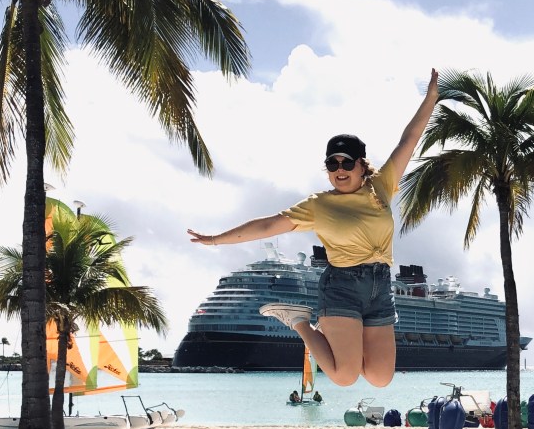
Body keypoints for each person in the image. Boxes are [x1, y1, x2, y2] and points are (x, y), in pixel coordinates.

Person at [188, 69, 439, 387]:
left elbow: (410, 139)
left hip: (380, 286)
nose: (340, 170)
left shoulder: (382, 186)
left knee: (380, 377)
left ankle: (339, 337)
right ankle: (301, 324)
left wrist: (431, 98)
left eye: (347, 162)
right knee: (345, 376)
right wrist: (215, 240)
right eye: (332, 164)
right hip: (342, 287)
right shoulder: (319, 205)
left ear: (362, 165)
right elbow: (268, 225)